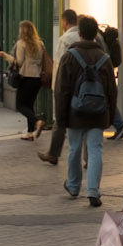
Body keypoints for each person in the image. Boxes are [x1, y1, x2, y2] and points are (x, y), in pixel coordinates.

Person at [56, 16, 117, 206]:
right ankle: (93, 190)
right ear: (95, 34)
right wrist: (110, 116)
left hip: (75, 112)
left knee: (74, 148)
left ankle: (74, 186)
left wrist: (61, 117)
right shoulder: (104, 58)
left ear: (80, 33)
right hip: (98, 113)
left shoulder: (70, 56)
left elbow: (62, 90)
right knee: (95, 150)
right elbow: (111, 91)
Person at [0, 20, 48, 141]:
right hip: (38, 78)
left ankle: (37, 122)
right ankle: (29, 133)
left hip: (26, 78)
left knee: (20, 105)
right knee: (29, 104)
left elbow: (18, 62)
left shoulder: (21, 43)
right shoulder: (40, 43)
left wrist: (5, 55)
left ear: (22, 31)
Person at [44, 9, 82, 165]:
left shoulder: (64, 39)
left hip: (65, 86)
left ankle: (53, 153)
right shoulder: (84, 36)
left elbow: (59, 65)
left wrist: (55, 87)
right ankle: (87, 159)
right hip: (81, 86)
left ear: (65, 22)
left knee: (59, 119)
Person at [102, 23, 123, 140]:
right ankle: (120, 125)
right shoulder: (104, 39)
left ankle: (120, 124)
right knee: (107, 100)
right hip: (109, 72)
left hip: (104, 74)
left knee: (106, 101)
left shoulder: (98, 38)